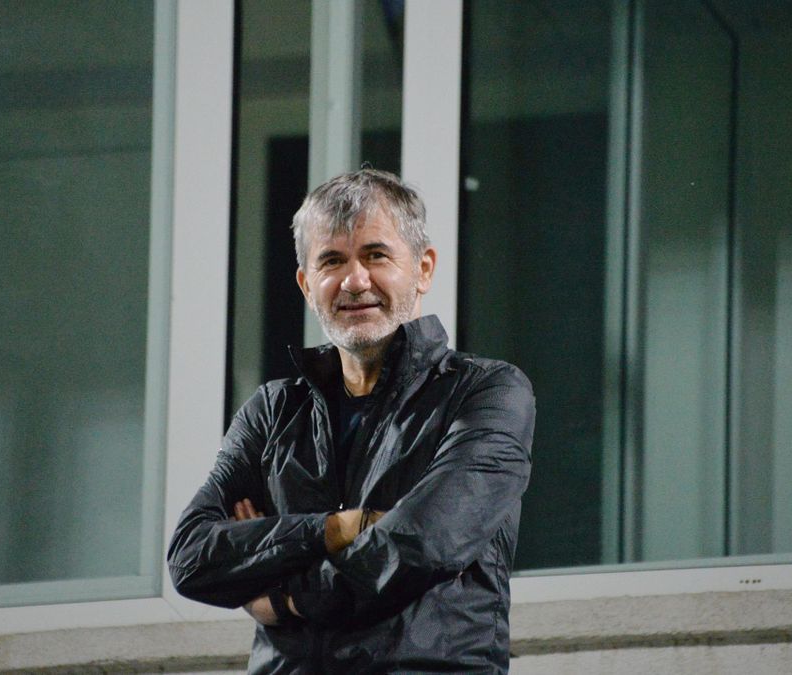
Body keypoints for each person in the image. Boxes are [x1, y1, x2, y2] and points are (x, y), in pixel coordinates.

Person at [167, 169, 535, 673]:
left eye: (376, 255)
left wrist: (283, 596)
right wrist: (342, 528)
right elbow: (190, 557)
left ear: (423, 269)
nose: (354, 281)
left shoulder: (485, 392)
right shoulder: (273, 411)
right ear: (306, 284)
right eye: (332, 261)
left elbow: (421, 544)